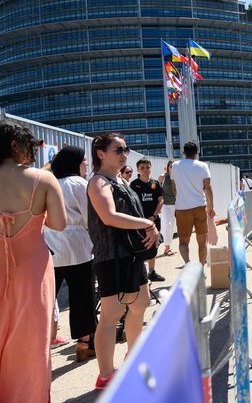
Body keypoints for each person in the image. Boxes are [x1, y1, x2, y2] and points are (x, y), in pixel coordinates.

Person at [0, 120, 67, 402]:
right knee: (33, 341)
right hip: (33, 269)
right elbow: (59, 224)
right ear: (15, 145)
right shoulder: (43, 180)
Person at [87, 133, 158, 390]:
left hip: (131, 255)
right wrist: (148, 223)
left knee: (141, 302)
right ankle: (105, 374)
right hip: (111, 256)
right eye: (118, 150)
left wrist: (149, 228)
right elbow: (108, 216)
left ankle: (133, 355)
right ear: (100, 153)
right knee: (111, 314)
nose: (124, 154)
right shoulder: (98, 182)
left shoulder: (119, 181)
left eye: (125, 149)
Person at [43, 146, 97, 363]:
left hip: (50, 247)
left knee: (47, 299)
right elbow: (89, 218)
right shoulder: (79, 184)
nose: (86, 164)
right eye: (84, 160)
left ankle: (41, 343)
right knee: (82, 296)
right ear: (75, 163)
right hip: (78, 248)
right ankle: (84, 344)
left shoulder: (49, 182)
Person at [171, 141, 215, 266]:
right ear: (197, 152)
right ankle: (200, 269)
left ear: (184, 153)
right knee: (202, 242)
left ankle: (188, 264)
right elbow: (208, 188)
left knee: (183, 242)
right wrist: (211, 206)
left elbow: (174, 189)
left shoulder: (175, 165)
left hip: (182, 208)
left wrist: (181, 198)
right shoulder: (203, 166)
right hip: (199, 206)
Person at [131, 158, 166, 282]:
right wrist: (140, 218)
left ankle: (152, 272)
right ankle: (142, 274)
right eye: (142, 168)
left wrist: (154, 216)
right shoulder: (134, 184)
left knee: (153, 246)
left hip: (153, 221)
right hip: (139, 222)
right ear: (138, 170)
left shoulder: (155, 183)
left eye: (147, 167)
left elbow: (161, 200)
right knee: (141, 246)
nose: (145, 170)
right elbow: (132, 203)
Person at [157, 160, 177, 256]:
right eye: (171, 166)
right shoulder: (163, 176)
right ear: (168, 167)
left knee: (171, 226)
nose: (173, 168)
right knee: (168, 224)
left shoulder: (178, 177)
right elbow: (156, 189)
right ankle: (167, 248)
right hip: (165, 205)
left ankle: (168, 245)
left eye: (174, 166)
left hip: (175, 205)